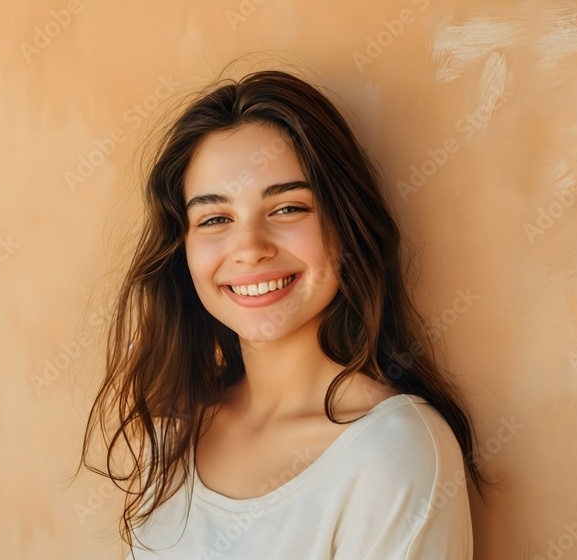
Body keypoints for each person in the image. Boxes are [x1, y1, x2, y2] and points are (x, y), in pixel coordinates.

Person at [75, 66, 489, 559]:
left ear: (345, 222)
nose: (248, 249)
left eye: (288, 208)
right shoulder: (172, 435)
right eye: (214, 219)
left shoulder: (392, 451)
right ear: (182, 250)